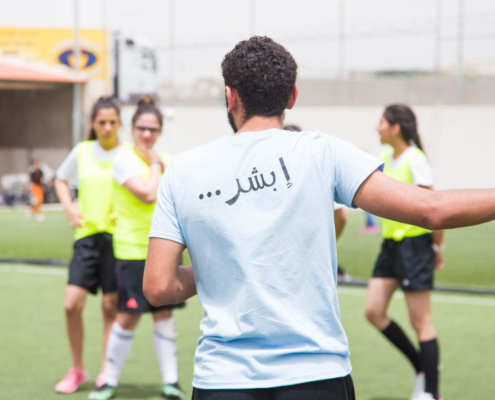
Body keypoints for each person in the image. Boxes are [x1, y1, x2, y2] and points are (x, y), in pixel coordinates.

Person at [143, 37, 495, 400]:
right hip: (317, 376)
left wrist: (221, 267)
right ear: (292, 96)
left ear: (230, 96)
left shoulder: (182, 170)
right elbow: (432, 209)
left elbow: (158, 287)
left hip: (221, 380)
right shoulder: (322, 152)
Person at [89, 96, 185, 400]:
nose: (147, 134)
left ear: (159, 131)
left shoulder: (169, 159)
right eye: (142, 128)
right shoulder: (125, 159)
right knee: (128, 316)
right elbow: (147, 193)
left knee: (163, 315)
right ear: (132, 128)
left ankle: (171, 382)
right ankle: (109, 380)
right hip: (132, 249)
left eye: (153, 129)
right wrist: (156, 163)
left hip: (165, 250)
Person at [364, 105, 445, 400]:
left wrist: (437, 247)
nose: (377, 127)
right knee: (373, 311)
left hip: (415, 246)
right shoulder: (385, 158)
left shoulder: (416, 160)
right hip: (391, 247)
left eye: (382, 122)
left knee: (421, 322)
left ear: (395, 127)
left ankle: (432, 394)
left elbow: (435, 208)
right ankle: (421, 367)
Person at [54, 97, 122, 393]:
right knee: (71, 305)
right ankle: (77, 369)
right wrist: (70, 207)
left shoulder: (128, 154)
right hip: (85, 238)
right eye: (101, 122)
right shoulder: (82, 151)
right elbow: (59, 179)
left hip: (117, 239)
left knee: (110, 307)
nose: (107, 127)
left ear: (119, 123)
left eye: (112, 122)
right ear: (93, 124)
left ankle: (106, 370)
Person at [284, 123, 350, 281]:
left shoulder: (314, 174)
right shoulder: (315, 172)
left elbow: (340, 217)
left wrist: (323, 242)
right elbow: (340, 217)